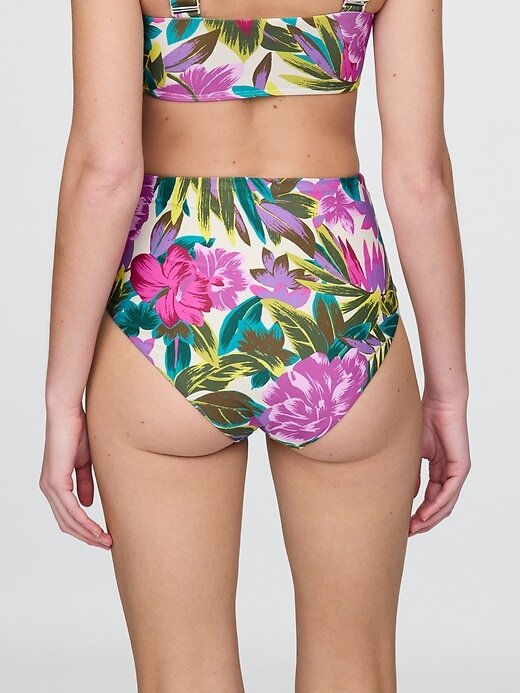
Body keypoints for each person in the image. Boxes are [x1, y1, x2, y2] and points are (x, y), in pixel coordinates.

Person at [39, 0, 471, 690]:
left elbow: (105, 171)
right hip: (335, 302)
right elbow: (422, 181)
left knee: (181, 675)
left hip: (174, 305)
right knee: (355, 670)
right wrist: (448, 392)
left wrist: (63, 397)